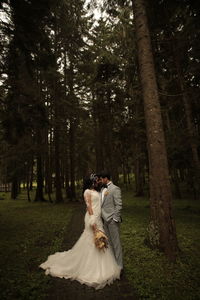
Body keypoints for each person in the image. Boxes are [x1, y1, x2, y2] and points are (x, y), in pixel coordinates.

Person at [39, 174, 121, 290]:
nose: (98, 182)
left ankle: (101, 266)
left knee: (100, 238)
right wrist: (93, 221)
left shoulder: (96, 190)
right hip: (92, 218)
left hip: (98, 218)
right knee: (91, 239)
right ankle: (89, 268)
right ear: (91, 182)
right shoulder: (87, 192)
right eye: (96, 180)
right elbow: (89, 207)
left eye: (98, 180)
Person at [99, 172, 123, 270]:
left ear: (106, 179)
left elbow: (119, 205)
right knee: (110, 244)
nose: (100, 180)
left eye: (101, 179)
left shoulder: (115, 189)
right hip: (105, 220)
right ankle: (113, 265)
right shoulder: (102, 189)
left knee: (116, 244)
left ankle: (120, 267)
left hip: (112, 220)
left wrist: (115, 218)